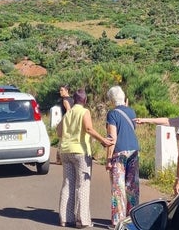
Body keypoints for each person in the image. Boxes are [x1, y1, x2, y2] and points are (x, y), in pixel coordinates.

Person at [58, 89, 114, 228]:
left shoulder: (68, 112)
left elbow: (59, 131)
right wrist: (103, 140)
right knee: (83, 185)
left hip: (66, 151)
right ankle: (82, 220)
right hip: (80, 151)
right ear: (85, 100)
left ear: (74, 99)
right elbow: (88, 129)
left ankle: (65, 218)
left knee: (67, 184)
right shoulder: (84, 112)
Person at [104, 86, 140, 227]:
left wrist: (108, 159)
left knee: (118, 187)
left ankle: (118, 220)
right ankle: (133, 218)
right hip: (134, 150)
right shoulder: (131, 111)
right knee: (132, 187)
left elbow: (112, 137)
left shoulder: (112, 114)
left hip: (119, 152)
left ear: (112, 100)